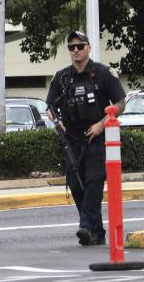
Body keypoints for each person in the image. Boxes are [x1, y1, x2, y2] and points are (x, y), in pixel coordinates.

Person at [46, 31, 126, 246]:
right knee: (76, 183)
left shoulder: (102, 73)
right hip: (72, 138)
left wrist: (102, 124)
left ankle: (86, 226)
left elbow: (120, 103)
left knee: (93, 182)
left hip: (96, 137)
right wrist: (57, 122)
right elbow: (50, 107)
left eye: (80, 46)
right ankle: (95, 231)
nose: (76, 51)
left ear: (88, 47)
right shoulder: (62, 77)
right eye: (72, 47)